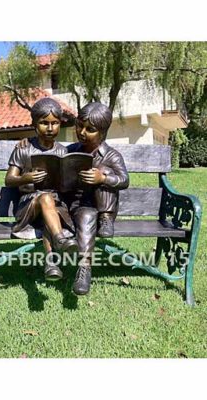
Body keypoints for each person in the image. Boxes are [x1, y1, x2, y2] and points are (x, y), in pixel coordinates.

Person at [5, 98, 78, 282]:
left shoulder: (63, 151)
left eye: (55, 123)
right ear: (34, 124)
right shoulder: (24, 149)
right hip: (29, 206)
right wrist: (25, 178)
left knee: (49, 204)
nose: (50, 128)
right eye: (44, 123)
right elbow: (9, 179)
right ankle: (60, 241)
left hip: (54, 206)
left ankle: (51, 263)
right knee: (46, 200)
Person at [66, 102, 129, 295]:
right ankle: (84, 269)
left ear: (102, 131)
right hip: (79, 206)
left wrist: (103, 178)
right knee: (86, 216)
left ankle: (106, 219)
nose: (82, 132)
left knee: (104, 172)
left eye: (90, 129)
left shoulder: (111, 155)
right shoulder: (71, 150)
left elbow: (124, 180)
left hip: (103, 204)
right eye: (79, 126)